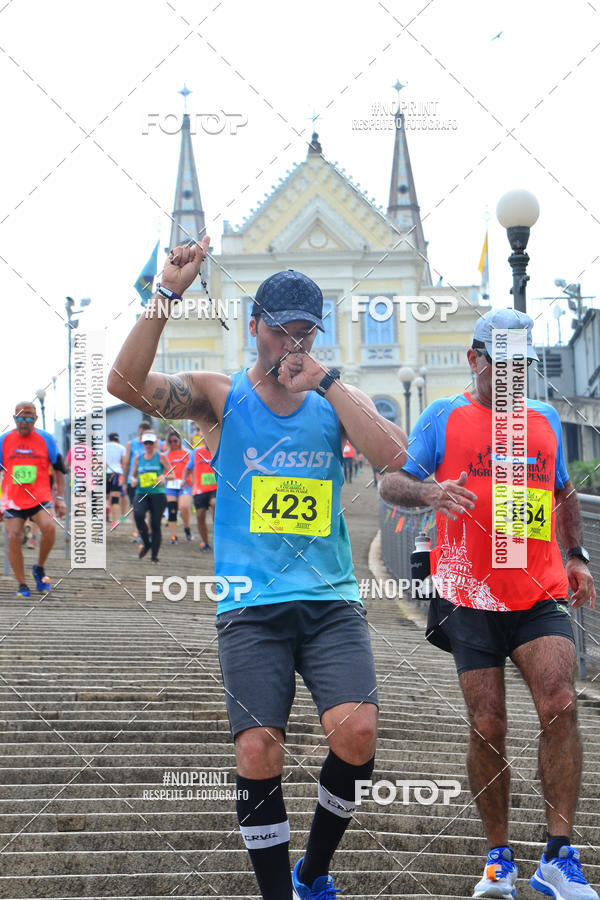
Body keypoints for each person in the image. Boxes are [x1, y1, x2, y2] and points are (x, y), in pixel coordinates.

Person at [107, 239, 408, 900]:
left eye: (306, 331)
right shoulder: (221, 395)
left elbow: (394, 457)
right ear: (255, 328)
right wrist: (165, 296)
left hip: (329, 600)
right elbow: (124, 388)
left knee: (357, 734)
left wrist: (327, 382)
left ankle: (315, 871)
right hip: (251, 607)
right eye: (282, 331)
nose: (293, 344)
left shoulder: (335, 396)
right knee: (256, 752)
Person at [380, 308, 598, 900]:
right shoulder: (443, 417)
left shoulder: (545, 419)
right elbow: (389, 483)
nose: (513, 380)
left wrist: (575, 553)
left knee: (561, 704)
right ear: (475, 360)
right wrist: (428, 491)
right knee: (488, 724)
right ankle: (498, 857)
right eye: (503, 367)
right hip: (469, 592)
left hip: (540, 589)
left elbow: (562, 488)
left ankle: (559, 856)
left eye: (521, 368)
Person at [0, 401, 67, 597]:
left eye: (29, 418)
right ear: (14, 419)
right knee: (13, 538)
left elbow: (59, 469)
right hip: (13, 499)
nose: (24, 423)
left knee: (50, 527)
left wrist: (61, 497)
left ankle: (39, 567)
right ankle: (22, 584)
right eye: (20, 418)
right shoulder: (4, 441)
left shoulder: (46, 439)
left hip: (40, 496)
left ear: (35, 419)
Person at [129, 432, 168, 562]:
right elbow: (133, 475)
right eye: (146, 443)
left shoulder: (161, 457)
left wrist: (164, 477)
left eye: (150, 443)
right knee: (138, 515)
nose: (148, 445)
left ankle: (154, 557)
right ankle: (146, 543)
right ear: (143, 444)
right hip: (141, 493)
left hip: (158, 494)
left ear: (155, 443)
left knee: (155, 523)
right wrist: (133, 480)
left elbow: (172, 474)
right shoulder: (138, 458)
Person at [123, 420, 153, 540]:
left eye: (144, 434)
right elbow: (126, 464)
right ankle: (138, 533)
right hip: (134, 480)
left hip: (150, 480)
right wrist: (124, 482)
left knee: (150, 507)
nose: (142, 437)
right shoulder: (131, 444)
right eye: (140, 434)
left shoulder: (153, 444)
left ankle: (149, 533)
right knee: (134, 507)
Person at [188, 433, 216, 550]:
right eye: (205, 435)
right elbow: (188, 468)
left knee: (214, 503)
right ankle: (205, 543)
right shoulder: (195, 453)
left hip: (215, 488)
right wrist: (188, 481)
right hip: (199, 490)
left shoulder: (217, 450)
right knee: (200, 516)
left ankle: (217, 530)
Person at [164, 430, 192, 543]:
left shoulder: (188, 453)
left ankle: (186, 528)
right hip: (170, 485)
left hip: (184, 484)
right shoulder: (165, 455)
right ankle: (173, 537)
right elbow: (162, 471)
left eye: (175, 441)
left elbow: (192, 469)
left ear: (180, 440)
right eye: (170, 442)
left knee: (184, 507)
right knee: (172, 510)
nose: (173, 444)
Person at [106, 432, 126, 529]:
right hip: (117, 474)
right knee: (115, 500)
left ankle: (102, 517)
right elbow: (124, 463)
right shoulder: (121, 448)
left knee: (104, 498)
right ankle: (114, 523)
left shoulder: (103, 447)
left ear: (109, 438)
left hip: (105, 473)